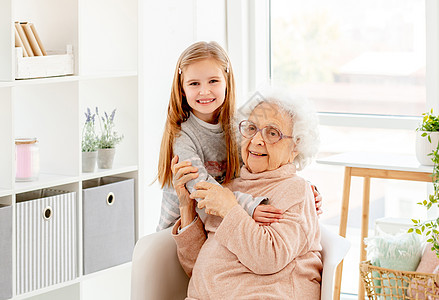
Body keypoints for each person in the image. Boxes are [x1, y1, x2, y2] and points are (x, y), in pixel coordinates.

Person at [171, 89, 322, 299]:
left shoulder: (296, 190)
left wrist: (229, 208)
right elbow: (196, 266)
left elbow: (268, 257)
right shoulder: (230, 187)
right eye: (251, 128)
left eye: (272, 133)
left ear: (295, 146)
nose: (257, 140)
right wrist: (186, 206)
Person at [157, 41, 322, 231]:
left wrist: (303, 188)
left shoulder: (240, 121)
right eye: (194, 83)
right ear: (182, 89)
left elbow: (270, 164)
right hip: (180, 231)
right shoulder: (182, 136)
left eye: (213, 81)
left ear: (227, 81)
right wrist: (249, 206)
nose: (204, 91)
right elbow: (202, 189)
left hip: (219, 222)